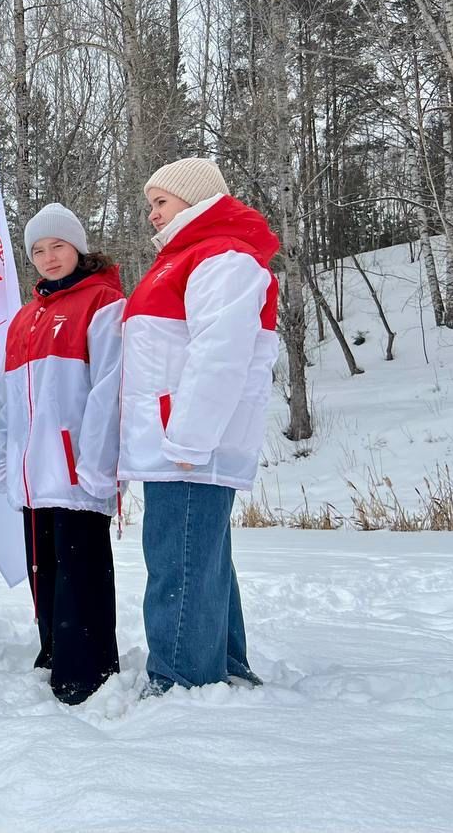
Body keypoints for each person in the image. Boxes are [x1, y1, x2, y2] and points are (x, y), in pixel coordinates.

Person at [119, 157, 277, 695]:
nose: (152, 214)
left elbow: (221, 352)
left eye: (161, 202)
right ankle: (222, 663)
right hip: (176, 438)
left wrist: (189, 434)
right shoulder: (190, 256)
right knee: (201, 557)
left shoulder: (222, 256)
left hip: (187, 443)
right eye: (151, 205)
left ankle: (182, 680)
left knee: (178, 558)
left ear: (198, 200)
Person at [0, 203, 124, 704]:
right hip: (32, 474)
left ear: (79, 247)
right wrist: (1, 455)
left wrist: (96, 460)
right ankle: (53, 652)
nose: (48, 257)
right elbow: (6, 399)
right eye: (38, 250)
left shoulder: (103, 302)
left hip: (75, 472)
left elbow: (110, 389)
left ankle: (86, 669)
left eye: (57, 246)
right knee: (46, 573)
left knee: (80, 572)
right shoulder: (24, 318)